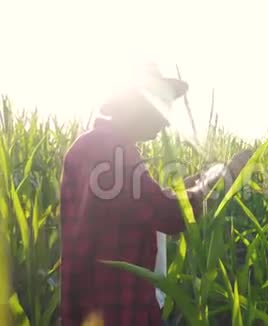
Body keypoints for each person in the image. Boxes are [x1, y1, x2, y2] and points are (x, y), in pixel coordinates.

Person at [58, 63, 248, 325]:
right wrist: (221, 176)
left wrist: (190, 184)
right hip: (117, 311)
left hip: (98, 307)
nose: (167, 120)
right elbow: (168, 214)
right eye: (162, 107)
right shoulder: (113, 151)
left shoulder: (93, 146)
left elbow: (136, 206)